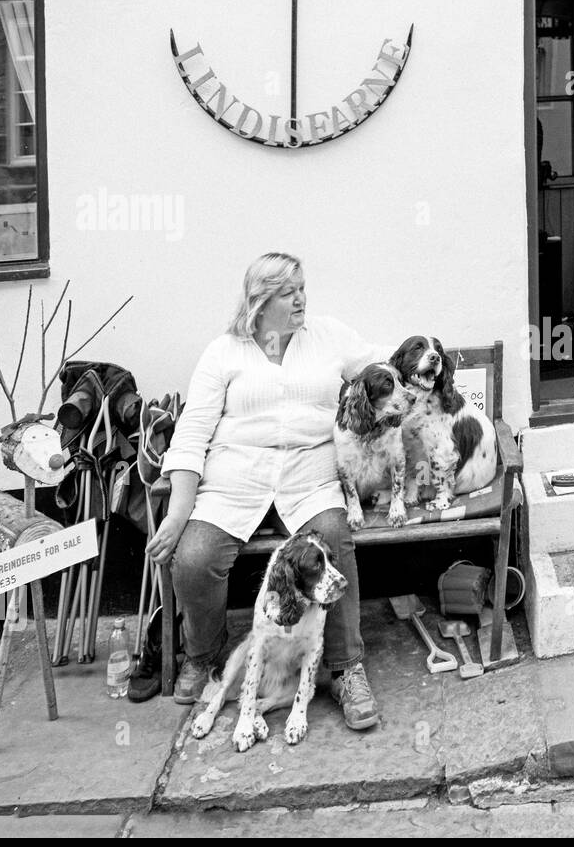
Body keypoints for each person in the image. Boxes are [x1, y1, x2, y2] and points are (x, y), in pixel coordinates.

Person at [146, 252, 392, 730]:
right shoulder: (223, 352)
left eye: (302, 287)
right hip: (235, 482)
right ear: (259, 302)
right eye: (288, 292)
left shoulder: (328, 337)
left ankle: (345, 669)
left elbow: (382, 372)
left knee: (333, 540)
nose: (301, 298)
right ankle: (206, 657)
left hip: (309, 478)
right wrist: (177, 514)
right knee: (194, 559)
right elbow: (192, 434)